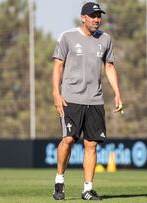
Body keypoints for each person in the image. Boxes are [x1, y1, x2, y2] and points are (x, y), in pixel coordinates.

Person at [51, 2, 123, 201]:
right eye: (93, 16)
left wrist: (117, 92)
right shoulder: (67, 37)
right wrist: (56, 93)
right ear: (83, 17)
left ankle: (88, 189)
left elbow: (109, 67)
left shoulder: (106, 39)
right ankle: (59, 181)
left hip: (95, 100)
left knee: (91, 144)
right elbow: (58, 66)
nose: (97, 19)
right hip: (71, 99)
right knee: (68, 140)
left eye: (99, 16)